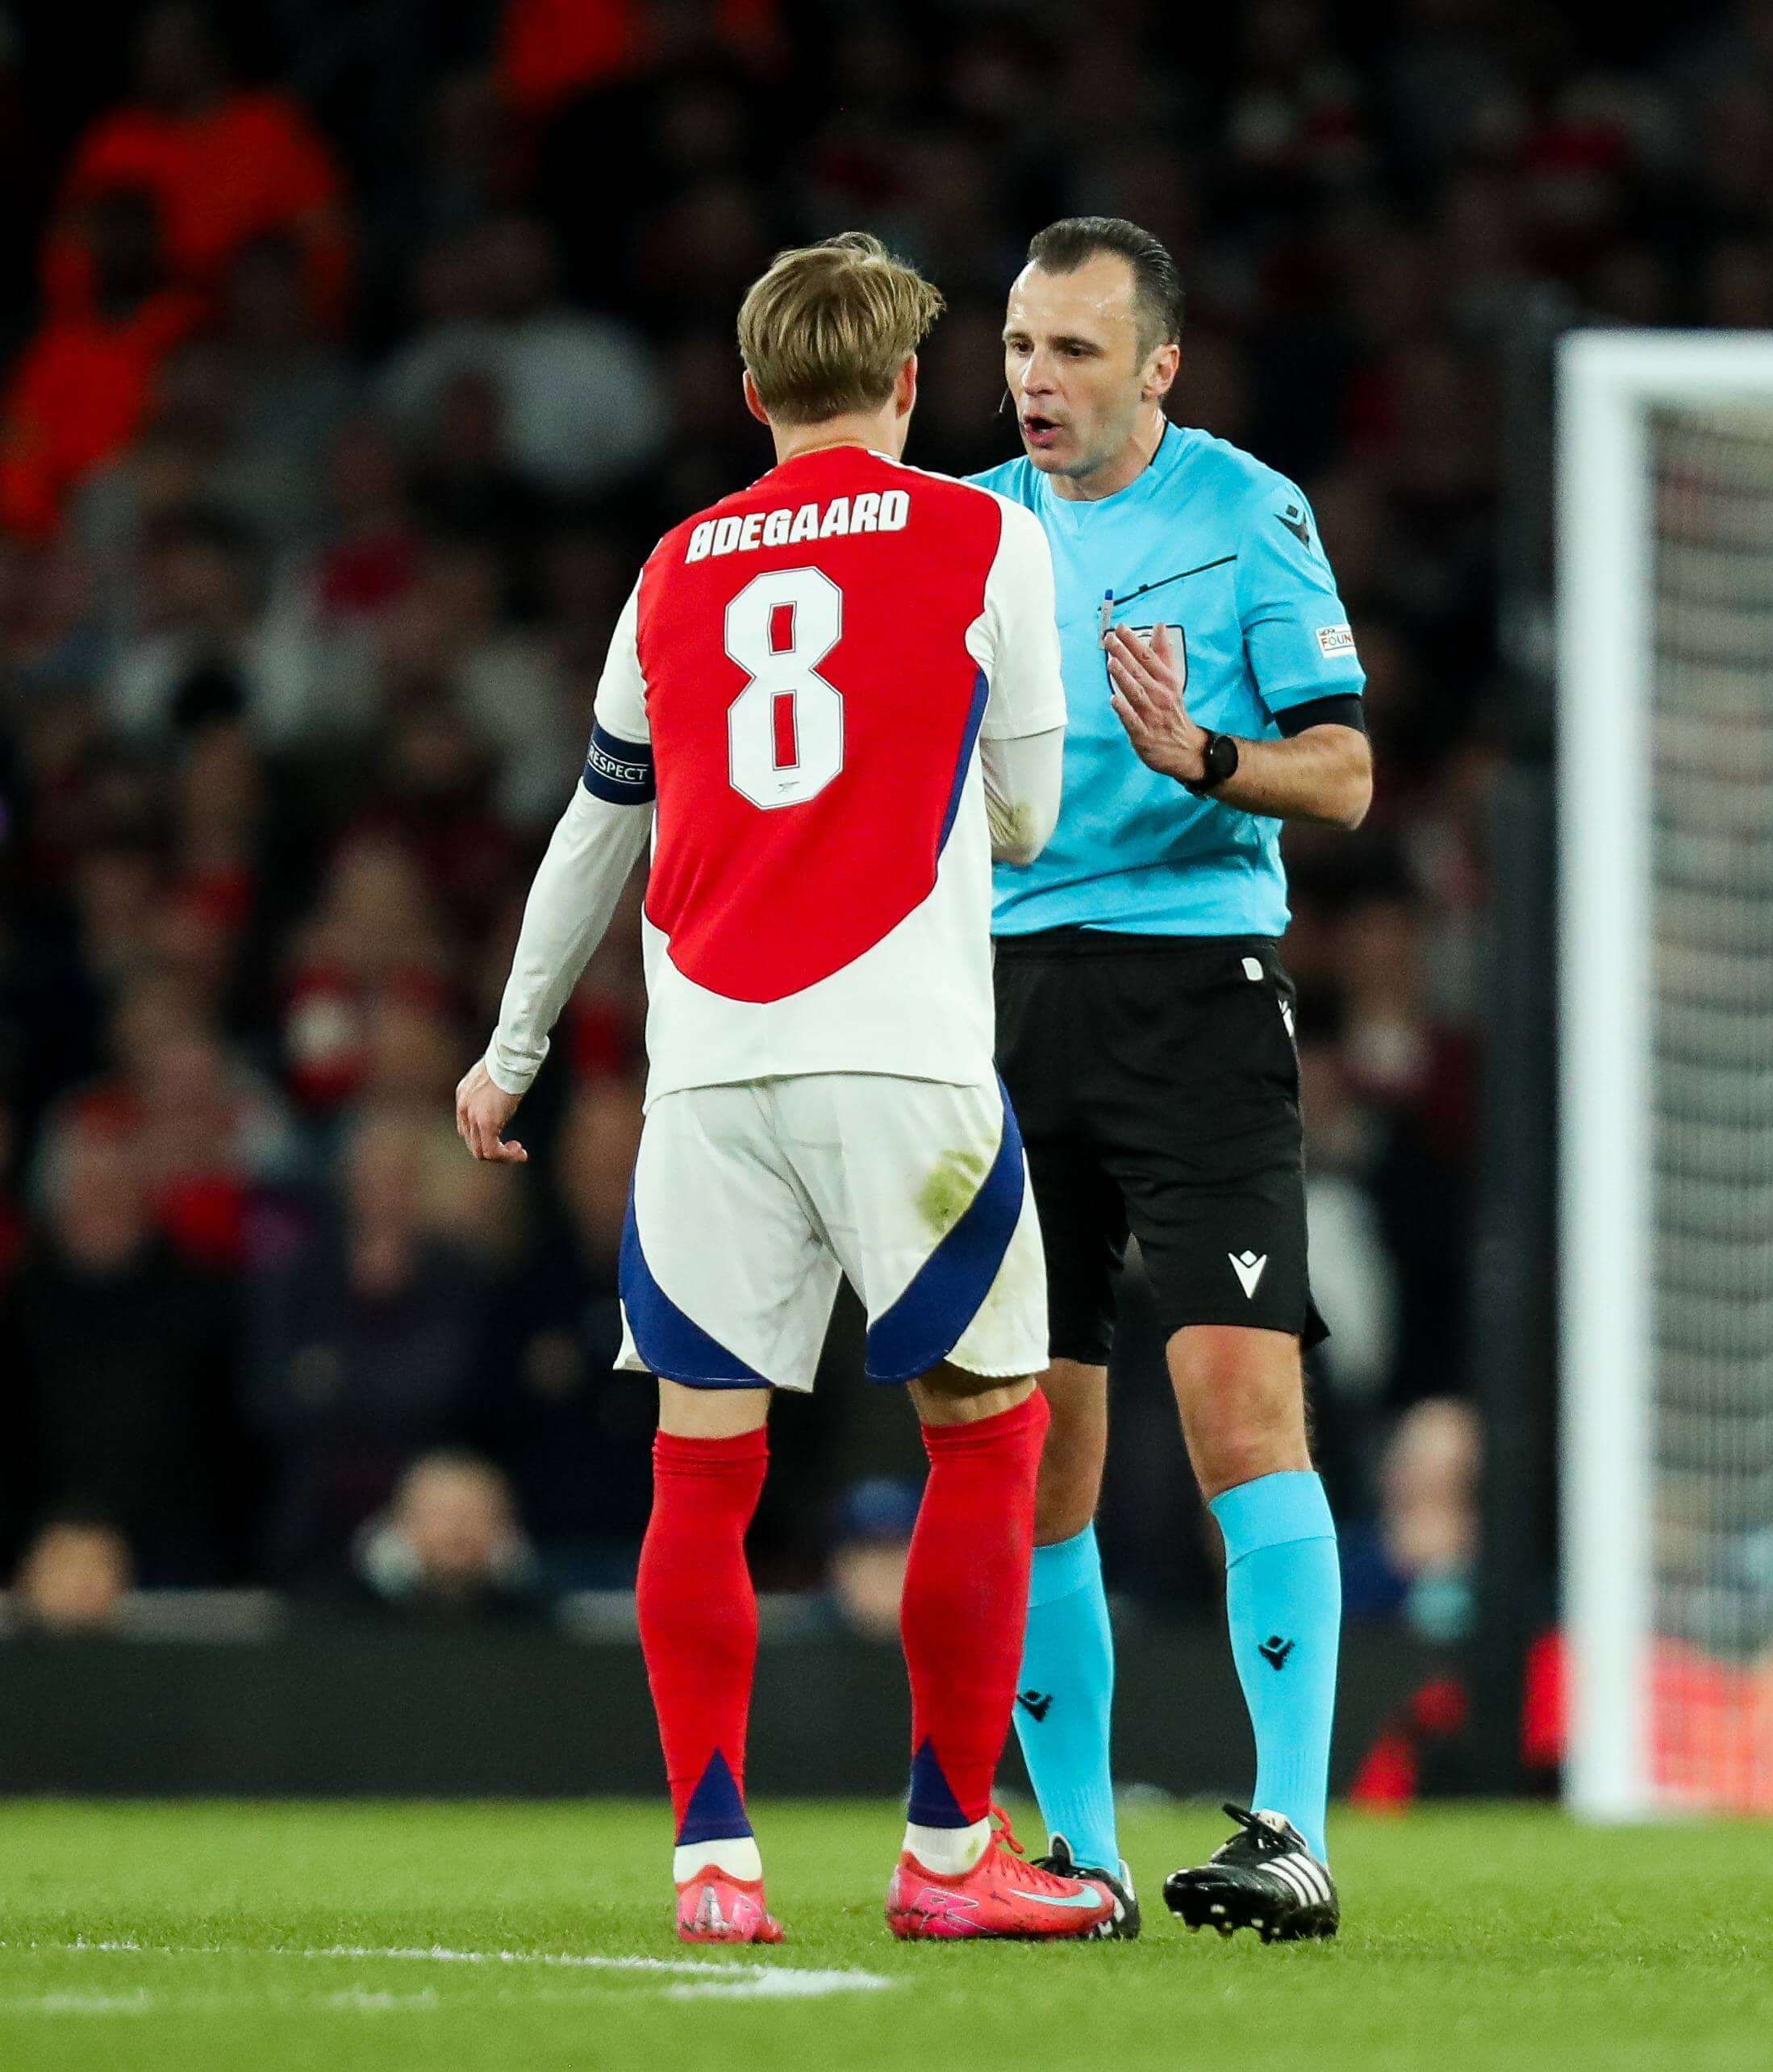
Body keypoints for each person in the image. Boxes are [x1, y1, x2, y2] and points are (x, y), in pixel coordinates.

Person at [453, 233, 1111, 1945]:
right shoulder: (988, 533)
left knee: (701, 1468)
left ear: (753, 397)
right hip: (899, 1056)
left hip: (710, 1070)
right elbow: (1030, 818)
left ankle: (714, 1860)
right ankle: (950, 1854)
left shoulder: (673, 567)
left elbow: (598, 826)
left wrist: (512, 1047)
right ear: (908, 384)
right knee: (986, 1433)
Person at [972, 215, 1372, 1943]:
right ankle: (1078, 1855)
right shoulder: (966, 526)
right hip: (1002, 998)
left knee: (1235, 1404)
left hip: (1196, 989)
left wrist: (1201, 754)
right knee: (1040, 1445)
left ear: (1159, 365)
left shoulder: (1247, 511)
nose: (1036, 381)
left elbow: (1347, 776)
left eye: (1072, 350)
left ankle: (1290, 1825)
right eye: (1017, 346)